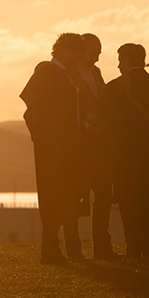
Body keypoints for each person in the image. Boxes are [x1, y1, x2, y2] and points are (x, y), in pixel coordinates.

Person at [98, 44, 149, 261]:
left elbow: (105, 127)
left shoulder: (114, 89)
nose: (118, 66)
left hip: (126, 159)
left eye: (119, 61)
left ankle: (134, 249)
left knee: (130, 204)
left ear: (126, 60)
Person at [21, 33, 89, 264]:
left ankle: (68, 248)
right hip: (57, 148)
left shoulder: (58, 74)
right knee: (57, 197)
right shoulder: (50, 74)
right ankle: (53, 250)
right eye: (76, 56)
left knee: (66, 197)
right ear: (66, 52)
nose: (78, 61)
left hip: (60, 146)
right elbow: (38, 112)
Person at [79, 33, 119, 260]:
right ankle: (76, 249)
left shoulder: (96, 73)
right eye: (94, 53)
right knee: (78, 196)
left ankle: (102, 247)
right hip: (81, 143)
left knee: (104, 194)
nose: (97, 59)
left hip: (99, 143)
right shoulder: (70, 75)